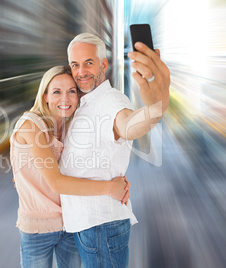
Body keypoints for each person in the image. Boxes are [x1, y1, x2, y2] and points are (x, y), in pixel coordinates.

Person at [60, 33, 170, 267]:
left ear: (103, 64)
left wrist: (156, 107)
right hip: (85, 224)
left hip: (100, 226)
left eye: (88, 63)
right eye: (75, 65)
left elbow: (129, 126)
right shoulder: (83, 103)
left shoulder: (111, 101)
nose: (81, 72)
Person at [10, 65, 133, 268]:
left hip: (70, 224)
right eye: (57, 92)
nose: (65, 98)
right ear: (45, 96)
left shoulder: (70, 127)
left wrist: (118, 177)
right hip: (37, 230)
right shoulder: (31, 124)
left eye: (71, 91)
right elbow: (56, 183)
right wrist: (110, 188)